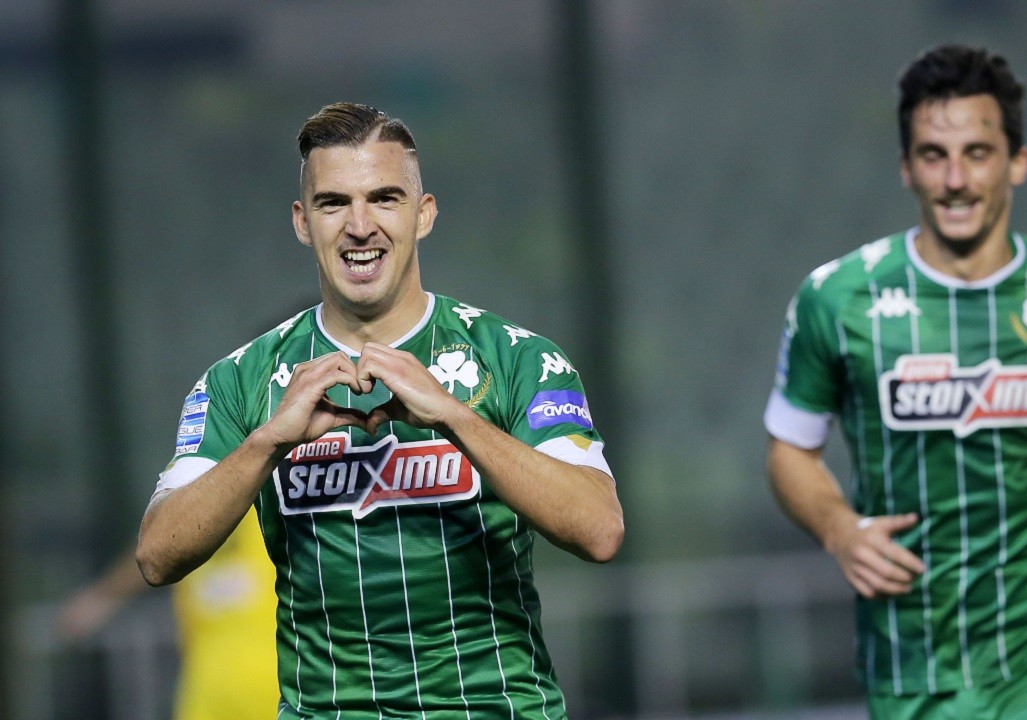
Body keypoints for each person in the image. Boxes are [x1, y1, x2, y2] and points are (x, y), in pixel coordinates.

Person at [136, 102, 624, 718]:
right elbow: (156, 556)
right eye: (333, 203)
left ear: (424, 214)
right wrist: (267, 443)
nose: (360, 226)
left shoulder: (517, 358)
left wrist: (455, 418)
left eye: (385, 199)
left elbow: (600, 530)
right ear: (302, 222)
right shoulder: (239, 380)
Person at [764, 45, 1027, 719]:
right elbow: (789, 449)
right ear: (906, 167)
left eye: (977, 153)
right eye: (933, 155)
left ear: (1018, 161)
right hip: (913, 652)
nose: (955, 179)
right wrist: (839, 530)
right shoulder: (838, 297)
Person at [59, 514, 277, 720]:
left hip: (271, 680)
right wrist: (102, 599)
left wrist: (100, 599)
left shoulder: (274, 500)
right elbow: (155, 547)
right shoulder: (192, 503)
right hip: (206, 685)